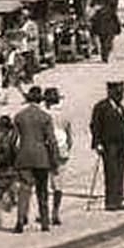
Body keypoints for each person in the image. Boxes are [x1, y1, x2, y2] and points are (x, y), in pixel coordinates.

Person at [13, 85, 58, 233]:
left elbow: (13, 140)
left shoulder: (19, 116)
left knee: (24, 190)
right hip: (41, 157)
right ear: (40, 100)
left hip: (24, 156)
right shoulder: (45, 117)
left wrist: (13, 158)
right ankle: (44, 222)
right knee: (42, 191)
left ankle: (20, 220)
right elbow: (51, 141)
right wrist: (54, 160)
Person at [89, 80, 124, 211]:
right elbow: (95, 126)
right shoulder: (101, 107)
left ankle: (118, 200)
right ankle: (110, 202)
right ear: (110, 92)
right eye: (118, 93)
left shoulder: (120, 107)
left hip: (121, 146)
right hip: (109, 146)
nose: (121, 96)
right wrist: (97, 143)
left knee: (120, 173)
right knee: (111, 173)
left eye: (121, 93)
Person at [43, 87, 72, 226]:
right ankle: (55, 212)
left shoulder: (43, 115)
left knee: (43, 183)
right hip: (61, 150)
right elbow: (69, 138)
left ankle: (43, 212)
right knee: (58, 184)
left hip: (45, 150)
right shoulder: (64, 115)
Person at [19, 10, 40, 82]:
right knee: (23, 62)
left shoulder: (32, 24)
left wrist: (26, 34)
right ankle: (25, 77)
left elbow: (35, 35)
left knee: (29, 63)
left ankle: (30, 78)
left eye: (22, 15)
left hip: (29, 46)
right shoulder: (21, 24)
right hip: (22, 46)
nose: (21, 17)